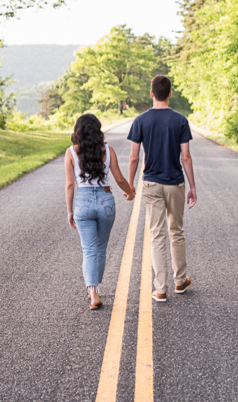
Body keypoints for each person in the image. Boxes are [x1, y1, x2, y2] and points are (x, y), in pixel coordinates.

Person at [127, 75, 196, 302]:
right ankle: (180, 281)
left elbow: (134, 158)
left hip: (151, 184)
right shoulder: (180, 120)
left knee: (157, 234)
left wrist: (130, 184)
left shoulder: (140, 120)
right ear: (169, 93)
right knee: (176, 231)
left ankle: (160, 289)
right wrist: (192, 186)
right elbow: (185, 157)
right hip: (175, 183)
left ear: (151, 93)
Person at [65, 113, 135, 310]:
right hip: (106, 201)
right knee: (101, 249)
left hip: (83, 202)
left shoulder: (71, 152)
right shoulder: (108, 150)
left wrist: (70, 211)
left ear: (77, 131)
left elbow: (70, 185)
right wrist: (130, 193)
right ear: (98, 130)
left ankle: (93, 292)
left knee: (88, 249)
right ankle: (96, 288)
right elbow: (120, 179)